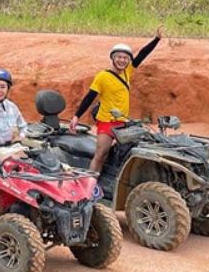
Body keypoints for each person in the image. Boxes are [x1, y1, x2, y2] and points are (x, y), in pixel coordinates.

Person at [69, 26, 164, 174]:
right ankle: (89, 183)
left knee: (128, 153)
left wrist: (156, 39)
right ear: (113, 58)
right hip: (107, 121)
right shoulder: (102, 77)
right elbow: (90, 97)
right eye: (119, 57)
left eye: (125, 58)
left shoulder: (127, 72)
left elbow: (141, 55)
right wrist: (76, 116)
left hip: (123, 122)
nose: (122, 60)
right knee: (101, 154)